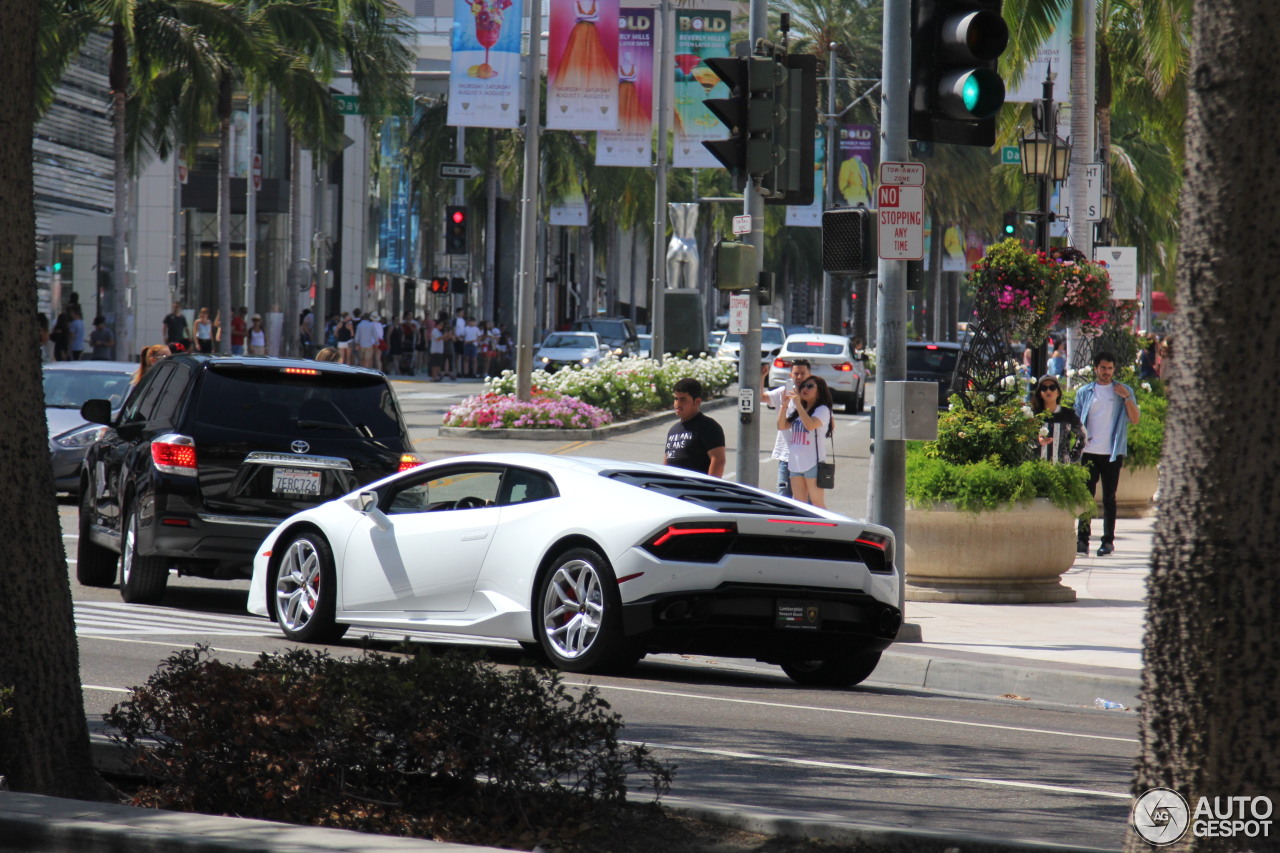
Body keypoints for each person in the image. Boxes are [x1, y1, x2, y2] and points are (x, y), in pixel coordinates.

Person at [1074, 352, 1141, 557]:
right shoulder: (1085, 392)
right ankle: (1082, 540)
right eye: (1103, 368)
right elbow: (1076, 419)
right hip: (1089, 452)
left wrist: (1127, 398)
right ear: (1096, 369)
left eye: (1110, 368)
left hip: (1112, 452)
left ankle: (1107, 542)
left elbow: (1135, 419)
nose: (1106, 372)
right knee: (1086, 496)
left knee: (1110, 498)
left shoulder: (1123, 390)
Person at [779, 375, 834, 508]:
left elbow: (810, 425)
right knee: (799, 504)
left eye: (810, 386)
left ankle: (828, 528)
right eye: (803, 386)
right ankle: (802, 528)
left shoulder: (823, 410)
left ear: (819, 390)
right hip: (795, 463)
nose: (805, 389)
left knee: (816, 503)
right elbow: (782, 426)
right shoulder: (799, 411)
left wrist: (798, 403)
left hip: (813, 463)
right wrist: (784, 406)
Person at [762, 358, 814, 497]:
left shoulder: (816, 396)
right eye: (796, 373)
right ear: (790, 375)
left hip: (808, 458)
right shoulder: (783, 393)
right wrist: (762, 377)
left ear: (810, 375)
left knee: (806, 501)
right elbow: (761, 397)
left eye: (803, 373)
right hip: (786, 456)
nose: (799, 377)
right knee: (783, 496)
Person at [663, 377, 726, 477]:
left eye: (683, 400)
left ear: (697, 402)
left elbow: (718, 461)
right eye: (676, 399)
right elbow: (666, 463)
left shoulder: (709, 427)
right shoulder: (673, 430)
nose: (677, 404)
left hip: (696, 489)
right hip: (673, 489)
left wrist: (708, 488)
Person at [1031, 375, 1084, 464]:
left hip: (1062, 469)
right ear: (1040, 393)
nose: (1048, 391)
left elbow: (1083, 436)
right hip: (1038, 468)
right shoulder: (1034, 415)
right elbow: (1024, 439)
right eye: (1044, 388)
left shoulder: (1068, 414)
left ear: (1058, 392)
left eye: (1052, 387)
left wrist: (1071, 458)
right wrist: (1037, 441)